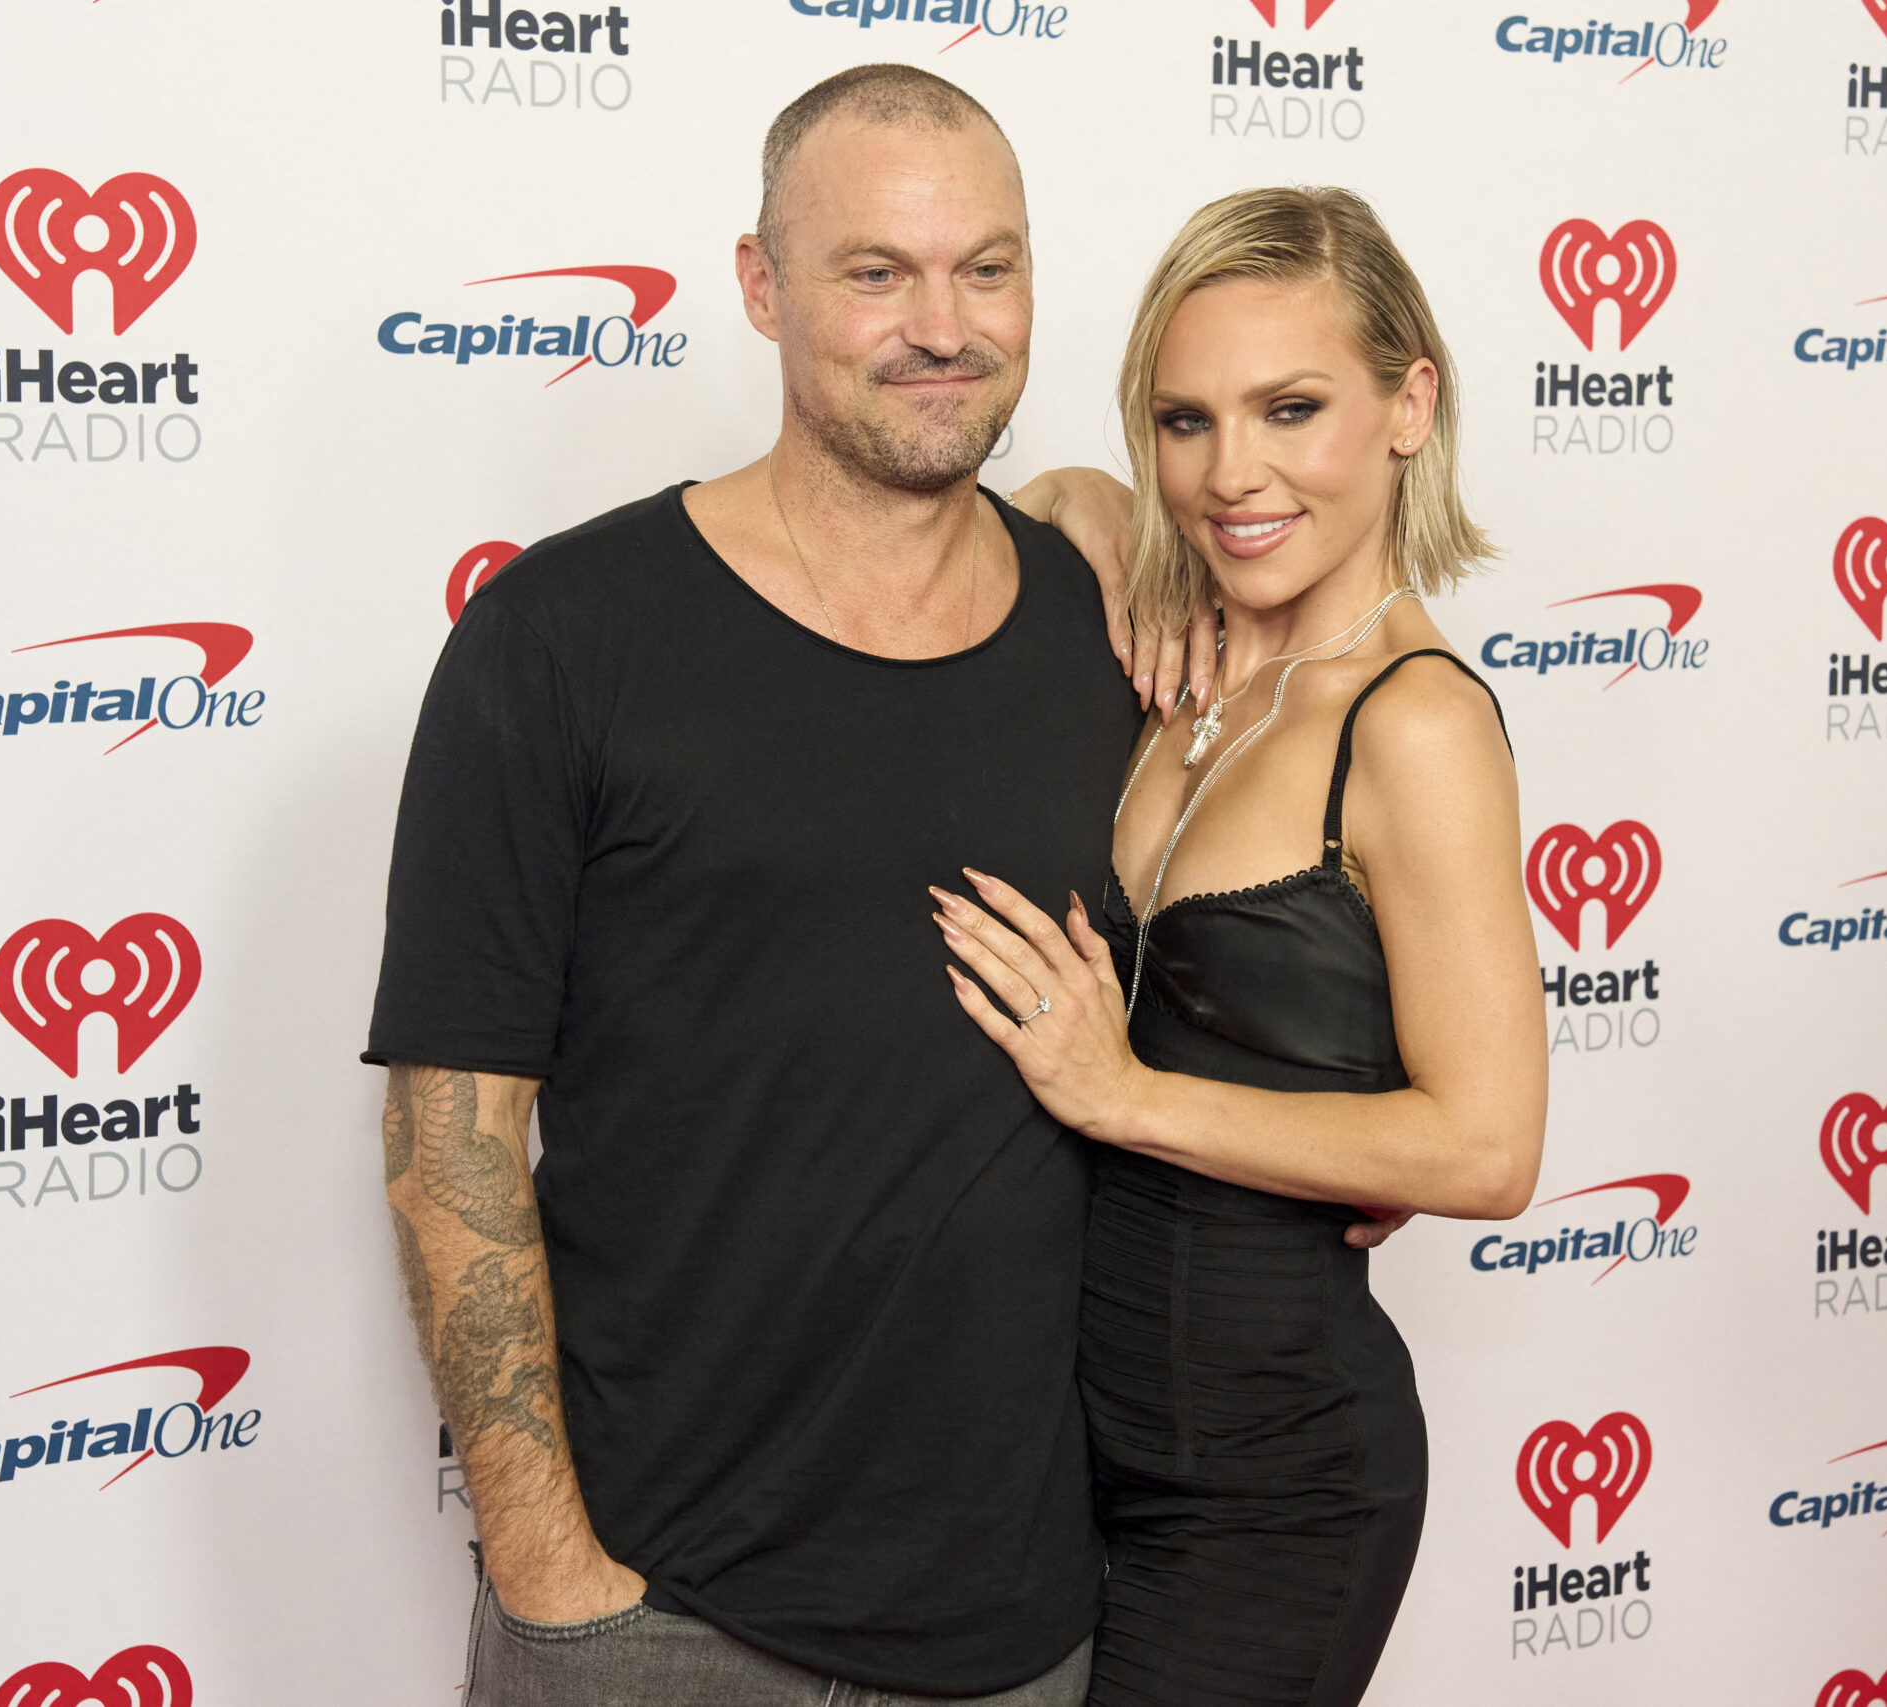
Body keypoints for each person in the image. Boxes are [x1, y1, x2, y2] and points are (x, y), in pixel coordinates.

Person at [365, 65, 1378, 1706]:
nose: (944, 325)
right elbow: (448, 1138)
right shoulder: (561, 640)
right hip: (659, 1619)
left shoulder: (1117, 631)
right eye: (875, 273)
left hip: (1024, 1627)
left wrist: (1332, 1142)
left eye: (988, 267)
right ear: (761, 287)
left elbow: (1239, 979)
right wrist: (558, 1584)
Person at [933, 187, 1549, 1707]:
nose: (1234, 473)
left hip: (1274, 1479)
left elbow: (1487, 1152)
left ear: (1412, 405)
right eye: (1184, 420)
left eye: (1292, 408)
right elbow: (1069, 505)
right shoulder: (1181, 648)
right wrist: (1088, 493)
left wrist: (1124, 1093)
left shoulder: (1415, 725)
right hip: (1069, 1454)